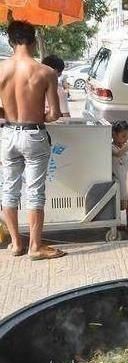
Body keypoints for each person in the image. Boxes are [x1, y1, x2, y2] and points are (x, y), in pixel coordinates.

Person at [0, 20, 65, 260]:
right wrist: (38, 115)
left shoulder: (1, 69)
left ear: (11, 41)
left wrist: (8, 113)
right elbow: (55, 114)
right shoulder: (45, 72)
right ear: (34, 40)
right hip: (34, 134)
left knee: (9, 189)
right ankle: (35, 247)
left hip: (8, 134)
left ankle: (16, 244)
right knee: (34, 191)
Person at [111, 120, 128, 235]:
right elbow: (118, 154)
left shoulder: (127, 147)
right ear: (114, 135)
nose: (125, 140)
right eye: (123, 136)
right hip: (118, 181)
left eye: (127, 137)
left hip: (127, 180)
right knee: (116, 205)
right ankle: (114, 224)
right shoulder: (111, 147)